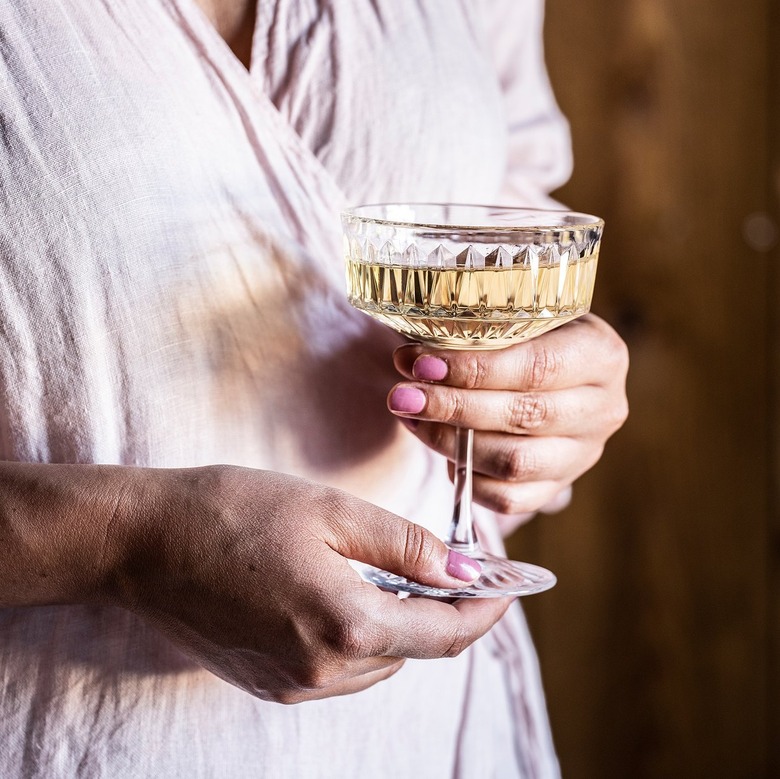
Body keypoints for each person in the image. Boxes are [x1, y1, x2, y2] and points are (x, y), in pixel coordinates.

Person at [0, 1, 628, 777]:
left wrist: (551, 390)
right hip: (77, 735)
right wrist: (124, 542)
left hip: (427, 729)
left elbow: (512, 200)